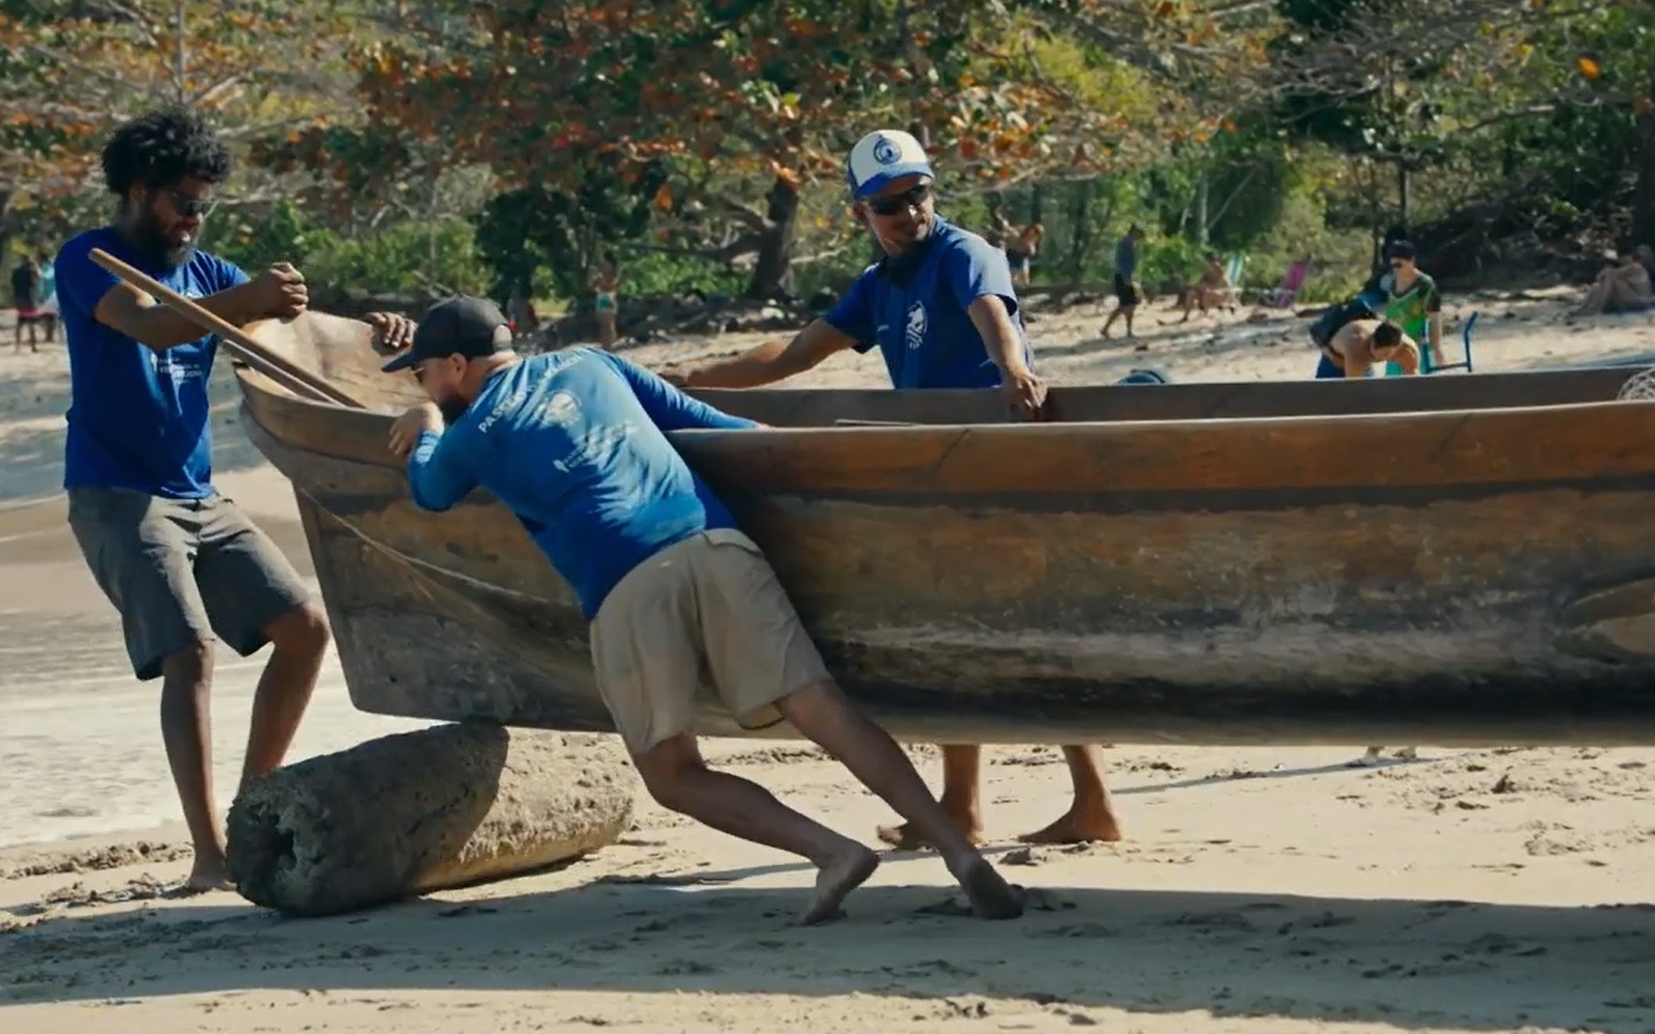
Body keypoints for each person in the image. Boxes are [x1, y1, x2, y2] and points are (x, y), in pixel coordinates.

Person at [383, 296, 1024, 924]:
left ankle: (834, 852)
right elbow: (713, 423)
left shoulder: (471, 432)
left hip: (626, 582)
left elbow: (431, 491)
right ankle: (960, 852)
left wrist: (427, 430)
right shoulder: (593, 363)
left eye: (424, 371)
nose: (425, 382)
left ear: (458, 366)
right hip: (715, 542)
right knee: (823, 708)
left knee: (674, 774)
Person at [663, 128, 1120, 851]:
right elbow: (796, 353)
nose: (908, 213)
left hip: (994, 468)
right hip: (934, 478)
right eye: (888, 205)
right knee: (959, 637)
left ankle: (1092, 802)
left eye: (917, 196)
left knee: (1027, 633)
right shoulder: (878, 286)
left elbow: (992, 314)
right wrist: (690, 381)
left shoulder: (961, 252)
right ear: (861, 215)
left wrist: (1012, 367)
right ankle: (962, 805)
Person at [53, 107, 417, 893]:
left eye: (204, 205)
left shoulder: (212, 274)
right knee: (188, 651)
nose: (193, 218)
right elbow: (150, 330)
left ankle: (256, 809)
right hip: (117, 494)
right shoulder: (90, 259)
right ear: (140, 191)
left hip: (196, 492)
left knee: (305, 628)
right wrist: (246, 297)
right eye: (182, 201)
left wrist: (386, 335)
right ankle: (208, 856)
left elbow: (302, 336)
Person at [1371, 239, 1445, 372]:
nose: (1395, 269)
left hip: (1418, 347)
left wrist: (1437, 348)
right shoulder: (1393, 282)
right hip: (1393, 349)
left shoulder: (1425, 285)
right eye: (1392, 265)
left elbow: (1435, 318)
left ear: (1411, 260)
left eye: (1399, 265)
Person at [1314, 318, 1420, 380]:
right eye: (1377, 353)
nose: (1381, 358)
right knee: (1324, 402)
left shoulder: (1408, 349)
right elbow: (1354, 390)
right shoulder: (1357, 348)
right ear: (1372, 341)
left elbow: (1412, 383)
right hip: (1335, 359)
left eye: (1386, 355)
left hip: (1364, 362)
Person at [1572, 247, 1655, 317]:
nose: (1623, 259)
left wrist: (1606, 271)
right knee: (1596, 286)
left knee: (1613, 280)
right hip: (1629, 299)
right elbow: (1599, 277)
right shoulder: (1625, 270)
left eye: (1625, 256)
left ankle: (1598, 308)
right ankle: (1583, 308)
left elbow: (1609, 274)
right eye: (1621, 257)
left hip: (1641, 301)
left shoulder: (1636, 267)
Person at [1100, 225, 1145, 339]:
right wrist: (1126, 278)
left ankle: (1122, 330)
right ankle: (1115, 329)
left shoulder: (1130, 245)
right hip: (1123, 277)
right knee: (1127, 305)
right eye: (1138, 234)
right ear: (1133, 232)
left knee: (1128, 305)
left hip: (1127, 276)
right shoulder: (1125, 245)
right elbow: (1121, 262)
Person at [1174, 252, 1235, 323]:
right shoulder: (1208, 272)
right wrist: (1195, 286)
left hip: (1223, 294)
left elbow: (1218, 286)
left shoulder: (1221, 271)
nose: (1212, 264)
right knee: (1191, 293)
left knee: (1207, 293)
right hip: (1209, 293)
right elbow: (1201, 283)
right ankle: (1185, 316)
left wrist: (1206, 287)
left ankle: (1205, 315)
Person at [12, 252, 45, 352]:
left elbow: (13, 284)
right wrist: (36, 266)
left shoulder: (16, 271)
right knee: (31, 323)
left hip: (19, 298)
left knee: (20, 322)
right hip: (29, 298)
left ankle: (17, 346)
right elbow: (40, 277)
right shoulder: (31, 271)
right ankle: (33, 346)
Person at [590, 255, 619, 347]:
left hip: (608, 298)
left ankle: (610, 345)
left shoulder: (613, 274)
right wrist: (592, 277)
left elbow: (610, 287)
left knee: (609, 324)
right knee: (602, 324)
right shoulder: (600, 274)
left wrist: (601, 280)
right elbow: (592, 287)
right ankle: (604, 344)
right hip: (601, 298)